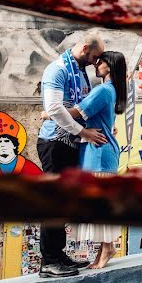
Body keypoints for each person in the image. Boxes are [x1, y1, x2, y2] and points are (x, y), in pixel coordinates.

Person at [47, 51, 126, 269]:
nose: (95, 64)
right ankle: (105, 248)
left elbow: (77, 112)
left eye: (99, 61)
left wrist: (49, 113)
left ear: (109, 66)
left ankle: (107, 247)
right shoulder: (111, 90)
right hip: (102, 151)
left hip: (97, 153)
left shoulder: (102, 90)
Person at [37, 35, 108, 278]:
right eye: (94, 57)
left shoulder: (79, 71)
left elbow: (78, 108)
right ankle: (49, 261)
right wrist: (84, 132)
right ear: (85, 48)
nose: (95, 62)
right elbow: (54, 108)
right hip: (54, 143)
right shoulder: (57, 69)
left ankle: (58, 253)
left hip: (70, 144)